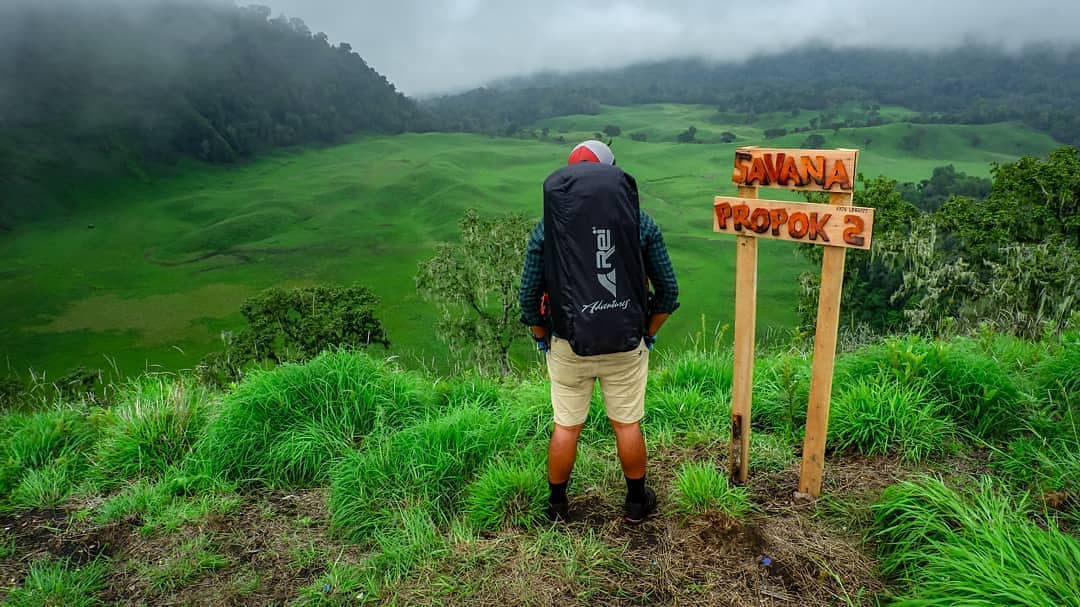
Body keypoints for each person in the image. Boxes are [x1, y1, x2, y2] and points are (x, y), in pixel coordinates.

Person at [519, 140, 679, 524]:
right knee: (626, 424)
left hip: (568, 344)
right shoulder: (640, 222)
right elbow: (668, 292)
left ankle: (557, 507)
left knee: (566, 426)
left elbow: (528, 298)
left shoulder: (548, 228)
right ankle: (637, 503)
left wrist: (543, 337)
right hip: (625, 343)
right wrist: (648, 333)